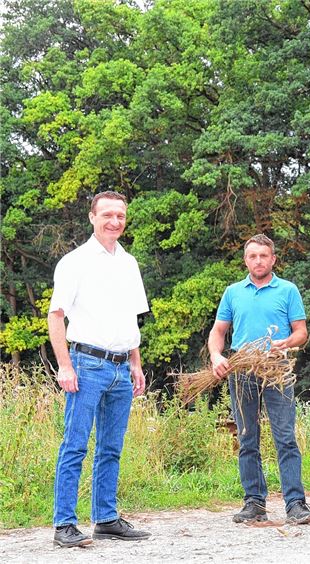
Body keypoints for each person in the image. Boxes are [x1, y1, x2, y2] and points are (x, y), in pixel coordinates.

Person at [47, 190, 152, 548]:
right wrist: (64, 365)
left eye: (120, 216)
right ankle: (64, 523)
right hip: (86, 363)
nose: (114, 221)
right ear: (92, 217)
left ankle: (106, 518)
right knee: (75, 445)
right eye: (107, 214)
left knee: (111, 447)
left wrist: (136, 364)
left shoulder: (129, 263)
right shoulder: (74, 262)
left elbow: (131, 318)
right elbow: (56, 315)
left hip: (122, 367)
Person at [208, 234, 310, 525]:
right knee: (247, 438)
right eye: (253, 256)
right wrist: (217, 356)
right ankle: (254, 503)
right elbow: (218, 331)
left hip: (277, 370)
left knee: (285, 438)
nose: (258, 261)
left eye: (264, 256)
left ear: (273, 259)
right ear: (246, 259)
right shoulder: (233, 292)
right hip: (242, 370)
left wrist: (286, 343)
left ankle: (296, 504)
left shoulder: (288, 290)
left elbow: (301, 332)